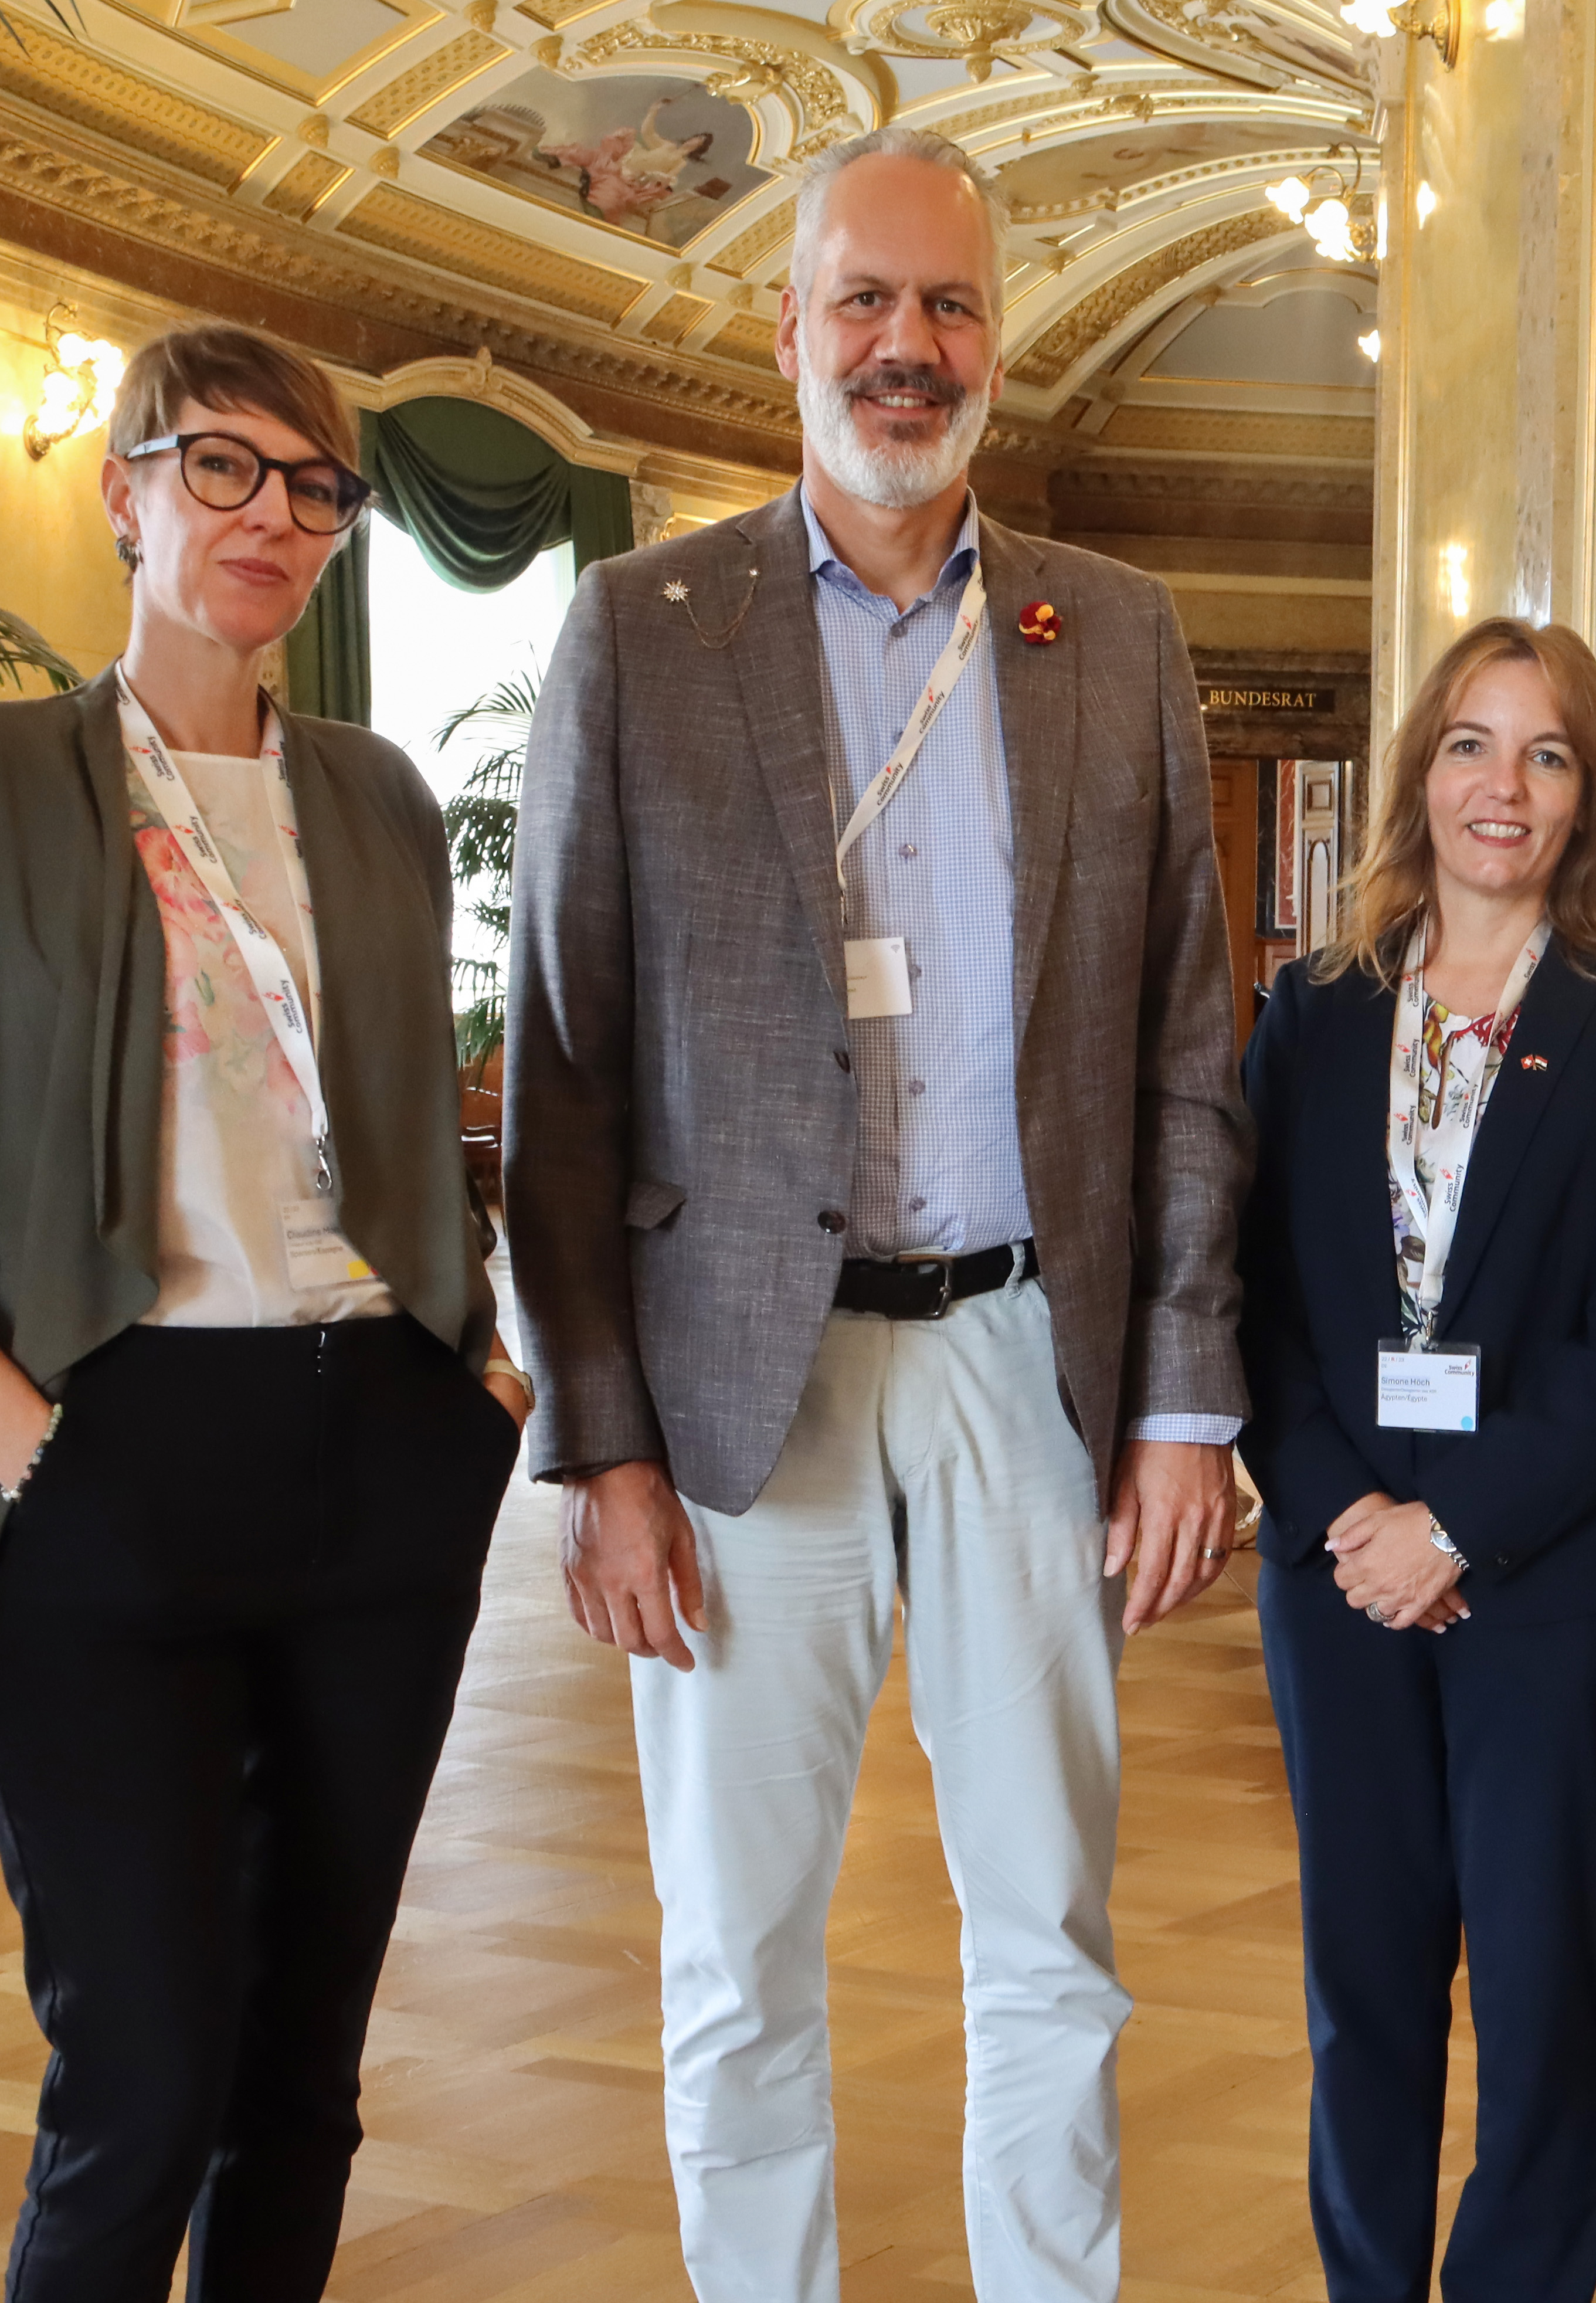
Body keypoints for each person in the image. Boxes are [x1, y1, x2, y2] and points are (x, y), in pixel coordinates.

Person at [502, 124, 1247, 2303]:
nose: (904, 347)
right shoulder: (640, 629)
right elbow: (563, 1071)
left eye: (948, 306)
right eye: (865, 301)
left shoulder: (1112, 630)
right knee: (736, 1954)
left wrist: (1184, 1405)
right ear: (787, 328)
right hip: (745, 1386)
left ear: (994, 344)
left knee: (1051, 1939)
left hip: (1030, 1358)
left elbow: (1184, 1043)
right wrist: (600, 1445)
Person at [0, 323, 531, 2301]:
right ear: (124, 493)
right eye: (221, 466)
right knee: (141, 2073)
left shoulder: (375, 798)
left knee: (300, 2082)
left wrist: (470, 1377)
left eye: (313, 487)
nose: (270, 515)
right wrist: (25, 1440)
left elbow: (399, 1132)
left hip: (375, 1465)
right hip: (101, 1464)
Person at [1240, 618, 1596, 2303]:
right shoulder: (1312, 1014)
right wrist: (1349, 1519)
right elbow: (1253, 1302)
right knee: (1362, 1995)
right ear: (1419, 774)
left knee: (1540, 2015)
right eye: (1469, 743)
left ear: (1586, 792)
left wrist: (1453, 1524)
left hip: (1558, 1593)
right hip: (1340, 1588)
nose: (1501, 785)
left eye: (1545, 752)